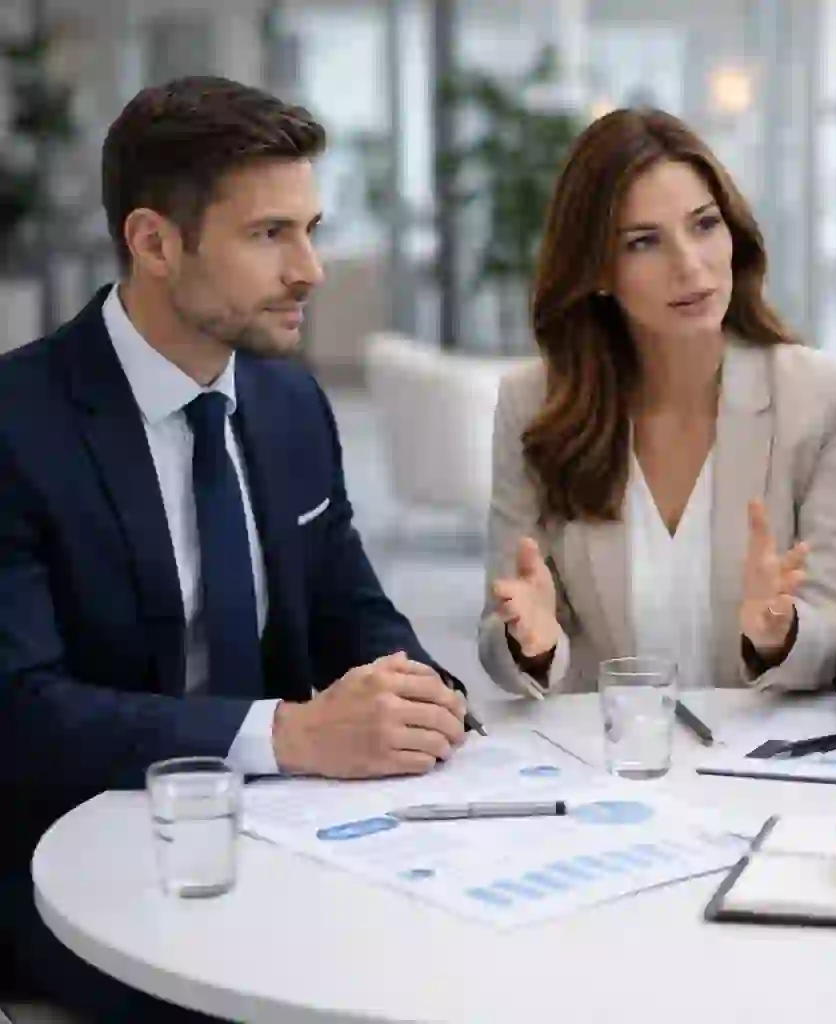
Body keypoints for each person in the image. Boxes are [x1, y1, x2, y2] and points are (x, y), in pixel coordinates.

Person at [0, 77, 473, 1020]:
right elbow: (20, 711)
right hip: (75, 868)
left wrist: (426, 698)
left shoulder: (290, 406)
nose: (311, 269)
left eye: (312, 227)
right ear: (154, 243)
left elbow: (355, 616)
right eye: (270, 235)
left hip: (286, 844)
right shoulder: (17, 424)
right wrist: (288, 735)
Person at [478, 108, 836, 697]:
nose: (689, 265)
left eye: (704, 225)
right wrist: (528, 644)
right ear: (598, 271)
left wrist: (779, 633)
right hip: (607, 763)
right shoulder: (533, 403)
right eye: (644, 242)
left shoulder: (825, 397)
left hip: (760, 767)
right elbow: (498, 632)